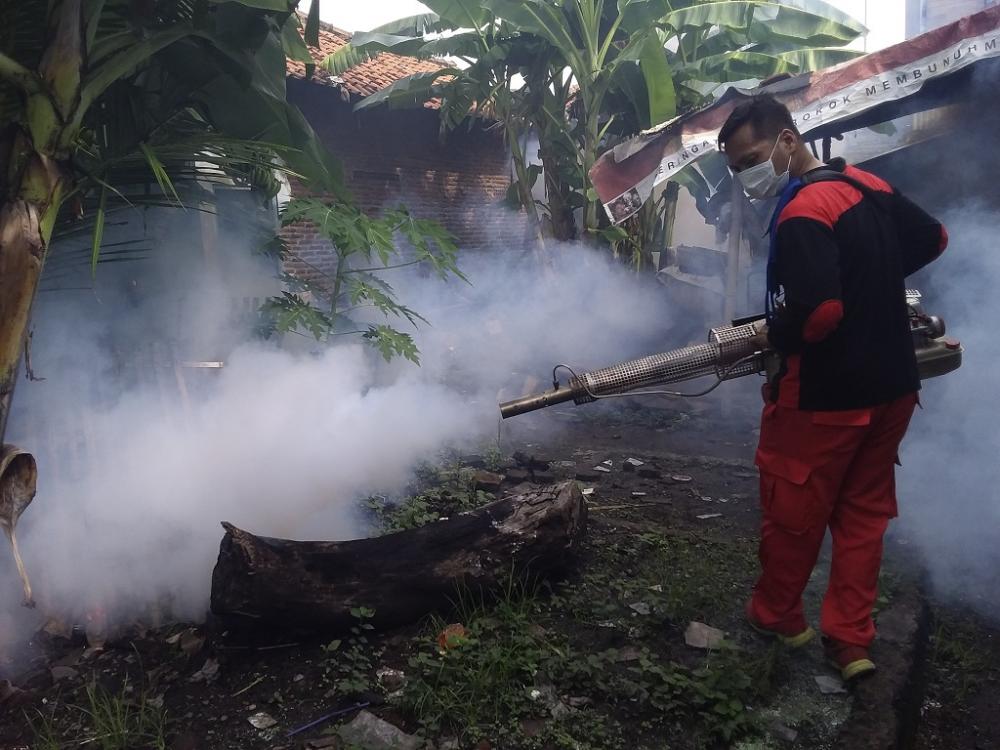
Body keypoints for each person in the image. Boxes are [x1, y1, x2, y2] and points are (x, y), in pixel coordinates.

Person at [717, 95, 948, 681]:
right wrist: (871, 277)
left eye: (750, 158)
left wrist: (772, 334)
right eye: (737, 167)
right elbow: (933, 238)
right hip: (894, 384)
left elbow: (817, 315)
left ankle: (779, 615)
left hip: (825, 396)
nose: (747, 174)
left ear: (788, 141)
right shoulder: (865, 185)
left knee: (794, 511)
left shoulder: (802, 214)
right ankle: (851, 642)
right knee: (864, 516)